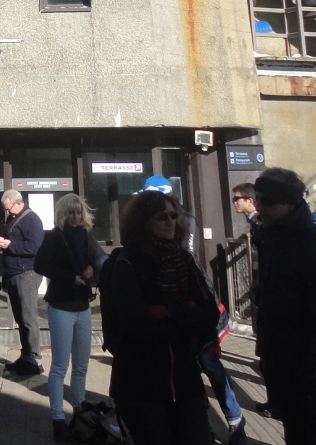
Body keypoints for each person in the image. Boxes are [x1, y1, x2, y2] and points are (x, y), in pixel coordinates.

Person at [98, 190, 220, 445]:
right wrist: (185, 319)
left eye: (173, 215)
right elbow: (137, 324)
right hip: (141, 383)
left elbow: (209, 315)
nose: (169, 221)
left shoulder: (183, 259)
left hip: (185, 381)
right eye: (161, 216)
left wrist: (168, 311)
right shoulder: (126, 263)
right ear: (143, 221)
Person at [249, 167, 316, 445]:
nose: (260, 206)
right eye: (258, 199)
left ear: (290, 203)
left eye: (268, 201)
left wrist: (309, 382)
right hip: (291, 377)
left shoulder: (315, 247)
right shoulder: (273, 239)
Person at [35, 193, 109, 439]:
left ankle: (79, 409)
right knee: (59, 366)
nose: (76, 216)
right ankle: (57, 418)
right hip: (61, 306)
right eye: (71, 212)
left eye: (79, 212)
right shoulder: (54, 236)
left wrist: (93, 268)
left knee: (82, 365)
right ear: (62, 214)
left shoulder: (87, 236)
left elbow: (100, 259)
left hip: (83, 306)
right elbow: (40, 265)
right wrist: (69, 277)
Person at [0, 189, 46, 376]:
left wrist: (11, 245)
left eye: (9, 209)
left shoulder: (33, 220)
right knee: (20, 318)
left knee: (28, 318)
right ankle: (25, 357)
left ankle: (35, 360)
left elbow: (34, 247)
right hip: (14, 273)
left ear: (18, 203)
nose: (7, 212)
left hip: (27, 273)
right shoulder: (11, 219)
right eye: (6, 209)